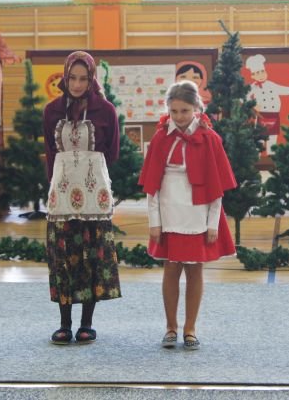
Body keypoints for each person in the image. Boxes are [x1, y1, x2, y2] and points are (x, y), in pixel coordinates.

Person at [138, 80, 237, 350]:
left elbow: (216, 188)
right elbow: (152, 187)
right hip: (169, 215)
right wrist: (155, 222)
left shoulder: (210, 139)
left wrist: (212, 223)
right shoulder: (160, 138)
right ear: (168, 110)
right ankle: (170, 327)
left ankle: (190, 328)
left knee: (195, 270)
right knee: (171, 269)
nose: (179, 117)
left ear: (196, 108)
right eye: (174, 111)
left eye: (185, 111)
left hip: (197, 216)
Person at [43, 51, 121, 345]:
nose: (77, 84)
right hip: (61, 195)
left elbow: (113, 152)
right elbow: (50, 153)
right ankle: (64, 324)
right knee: (63, 257)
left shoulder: (105, 110)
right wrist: (59, 184)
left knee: (92, 256)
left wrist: (88, 174)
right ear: (65, 78)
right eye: (72, 78)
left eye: (83, 79)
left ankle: (87, 323)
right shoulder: (51, 111)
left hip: (94, 195)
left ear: (92, 79)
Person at [246, 54, 289, 154]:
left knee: (272, 141)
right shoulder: (252, 87)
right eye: (257, 73)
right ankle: (257, 160)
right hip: (261, 116)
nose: (261, 75)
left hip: (274, 116)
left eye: (262, 71)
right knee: (259, 141)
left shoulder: (271, 85)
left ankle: (271, 159)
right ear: (252, 76)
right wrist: (253, 105)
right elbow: (243, 98)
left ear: (266, 72)